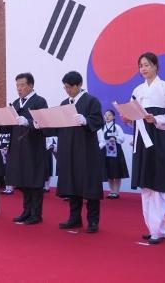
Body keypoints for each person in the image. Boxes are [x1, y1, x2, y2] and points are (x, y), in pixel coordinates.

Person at [123, 52, 165, 245]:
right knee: (146, 185)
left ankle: (159, 229)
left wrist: (156, 119)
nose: (144, 68)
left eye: (147, 64)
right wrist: (129, 119)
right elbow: (135, 118)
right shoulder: (137, 90)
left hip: (160, 137)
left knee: (159, 184)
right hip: (142, 139)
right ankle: (153, 228)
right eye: (141, 66)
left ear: (156, 66)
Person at [39, 71, 105, 233]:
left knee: (89, 187)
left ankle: (93, 221)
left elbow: (98, 121)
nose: (67, 90)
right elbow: (57, 126)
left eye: (69, 87)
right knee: (72, 185)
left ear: (79, 85)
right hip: (68, 150)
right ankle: (74, 219)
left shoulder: (91, 101)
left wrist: (86, 120)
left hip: (86, 151)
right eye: (65, 87)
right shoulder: (64, 104)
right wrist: (42, 124)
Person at [5, 73, 50, 225]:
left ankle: (36, 214)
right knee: (23, 180)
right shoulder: (16, 104)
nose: (19, 88)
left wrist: (29, 122)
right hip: (18, 148)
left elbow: (44, 123)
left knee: (34, 181)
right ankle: (26, 211)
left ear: (31, 85)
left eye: (22, 85)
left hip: (33, 147)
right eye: (17, 85)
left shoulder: (39, 101)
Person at [98, 110, 128, 199]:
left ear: (113, 117)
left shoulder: (117, 127)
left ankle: (116, 192)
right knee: (109, 172)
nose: (107, 117)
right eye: (106, 115)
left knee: (117, 171)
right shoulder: (101, 128)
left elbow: (122, 138)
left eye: (109, 115)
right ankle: (111, 191)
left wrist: (114, 138)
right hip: (105, 152)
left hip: (116, 151)